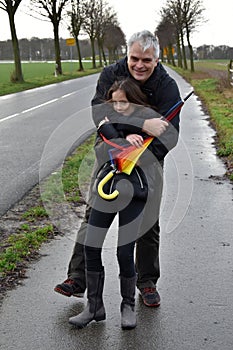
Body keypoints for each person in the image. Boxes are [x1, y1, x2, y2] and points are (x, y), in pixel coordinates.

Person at [54, 30, 181, 307]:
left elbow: (170, 135)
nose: (139, 65)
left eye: (146, 60)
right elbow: (100, 114)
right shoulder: (110, 75)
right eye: (134, 58)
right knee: (93, 215)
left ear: (156, 60)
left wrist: (139, 158)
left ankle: (146, 282)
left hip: (148, 160)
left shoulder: (167, 87)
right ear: (127, 54)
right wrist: (139, 127)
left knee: (148, 223)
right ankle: (77, 277)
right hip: (109, 153)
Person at [69, 77, 165, 329]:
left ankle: (127, 306)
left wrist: (135, 131)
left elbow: (147, 146)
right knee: (91, 246)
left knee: (124, 251)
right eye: (115, 103)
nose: (119, 107)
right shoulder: (109, 122)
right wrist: (121, 134)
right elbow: (106, 139)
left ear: (134, 102)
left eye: (124, 102)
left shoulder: (149, 123)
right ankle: (94, 306)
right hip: (107, 189)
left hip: (135, 193)